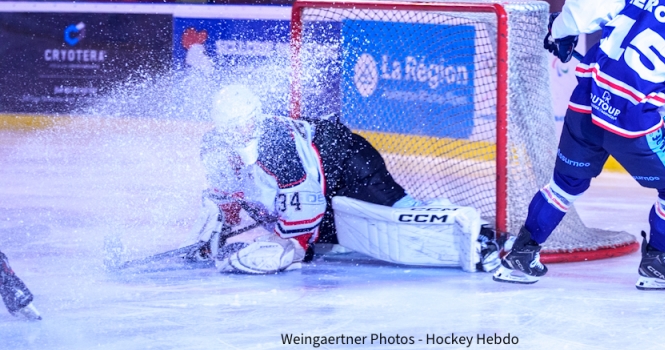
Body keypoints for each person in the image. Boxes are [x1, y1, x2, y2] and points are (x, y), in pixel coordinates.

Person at [494, 0, 665, 290]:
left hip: (587, 105)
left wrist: (559, 33)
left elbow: (578, 14)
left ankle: (522, 256)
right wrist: (656, 101)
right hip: (633, 124)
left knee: (564, 186)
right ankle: (657, 262)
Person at [183, 85, 500, 274]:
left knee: (398, 214)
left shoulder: (275, 143)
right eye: (235, 124)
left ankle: (475, 231)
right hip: (321, 184)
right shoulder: (214, 147)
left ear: (256, 114)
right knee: (351, 237)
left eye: (247, 120)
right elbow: (229, 196)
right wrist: (214, 239)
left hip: (348, 161)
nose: (243, 129)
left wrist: (290, 247)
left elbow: (304, 203)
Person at [1, 250, 41, 320]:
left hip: (7, 282)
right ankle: (28, 313)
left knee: (16, 303)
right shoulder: (2, 256)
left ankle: (30, 314)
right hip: (10, 280)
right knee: (16, 303)